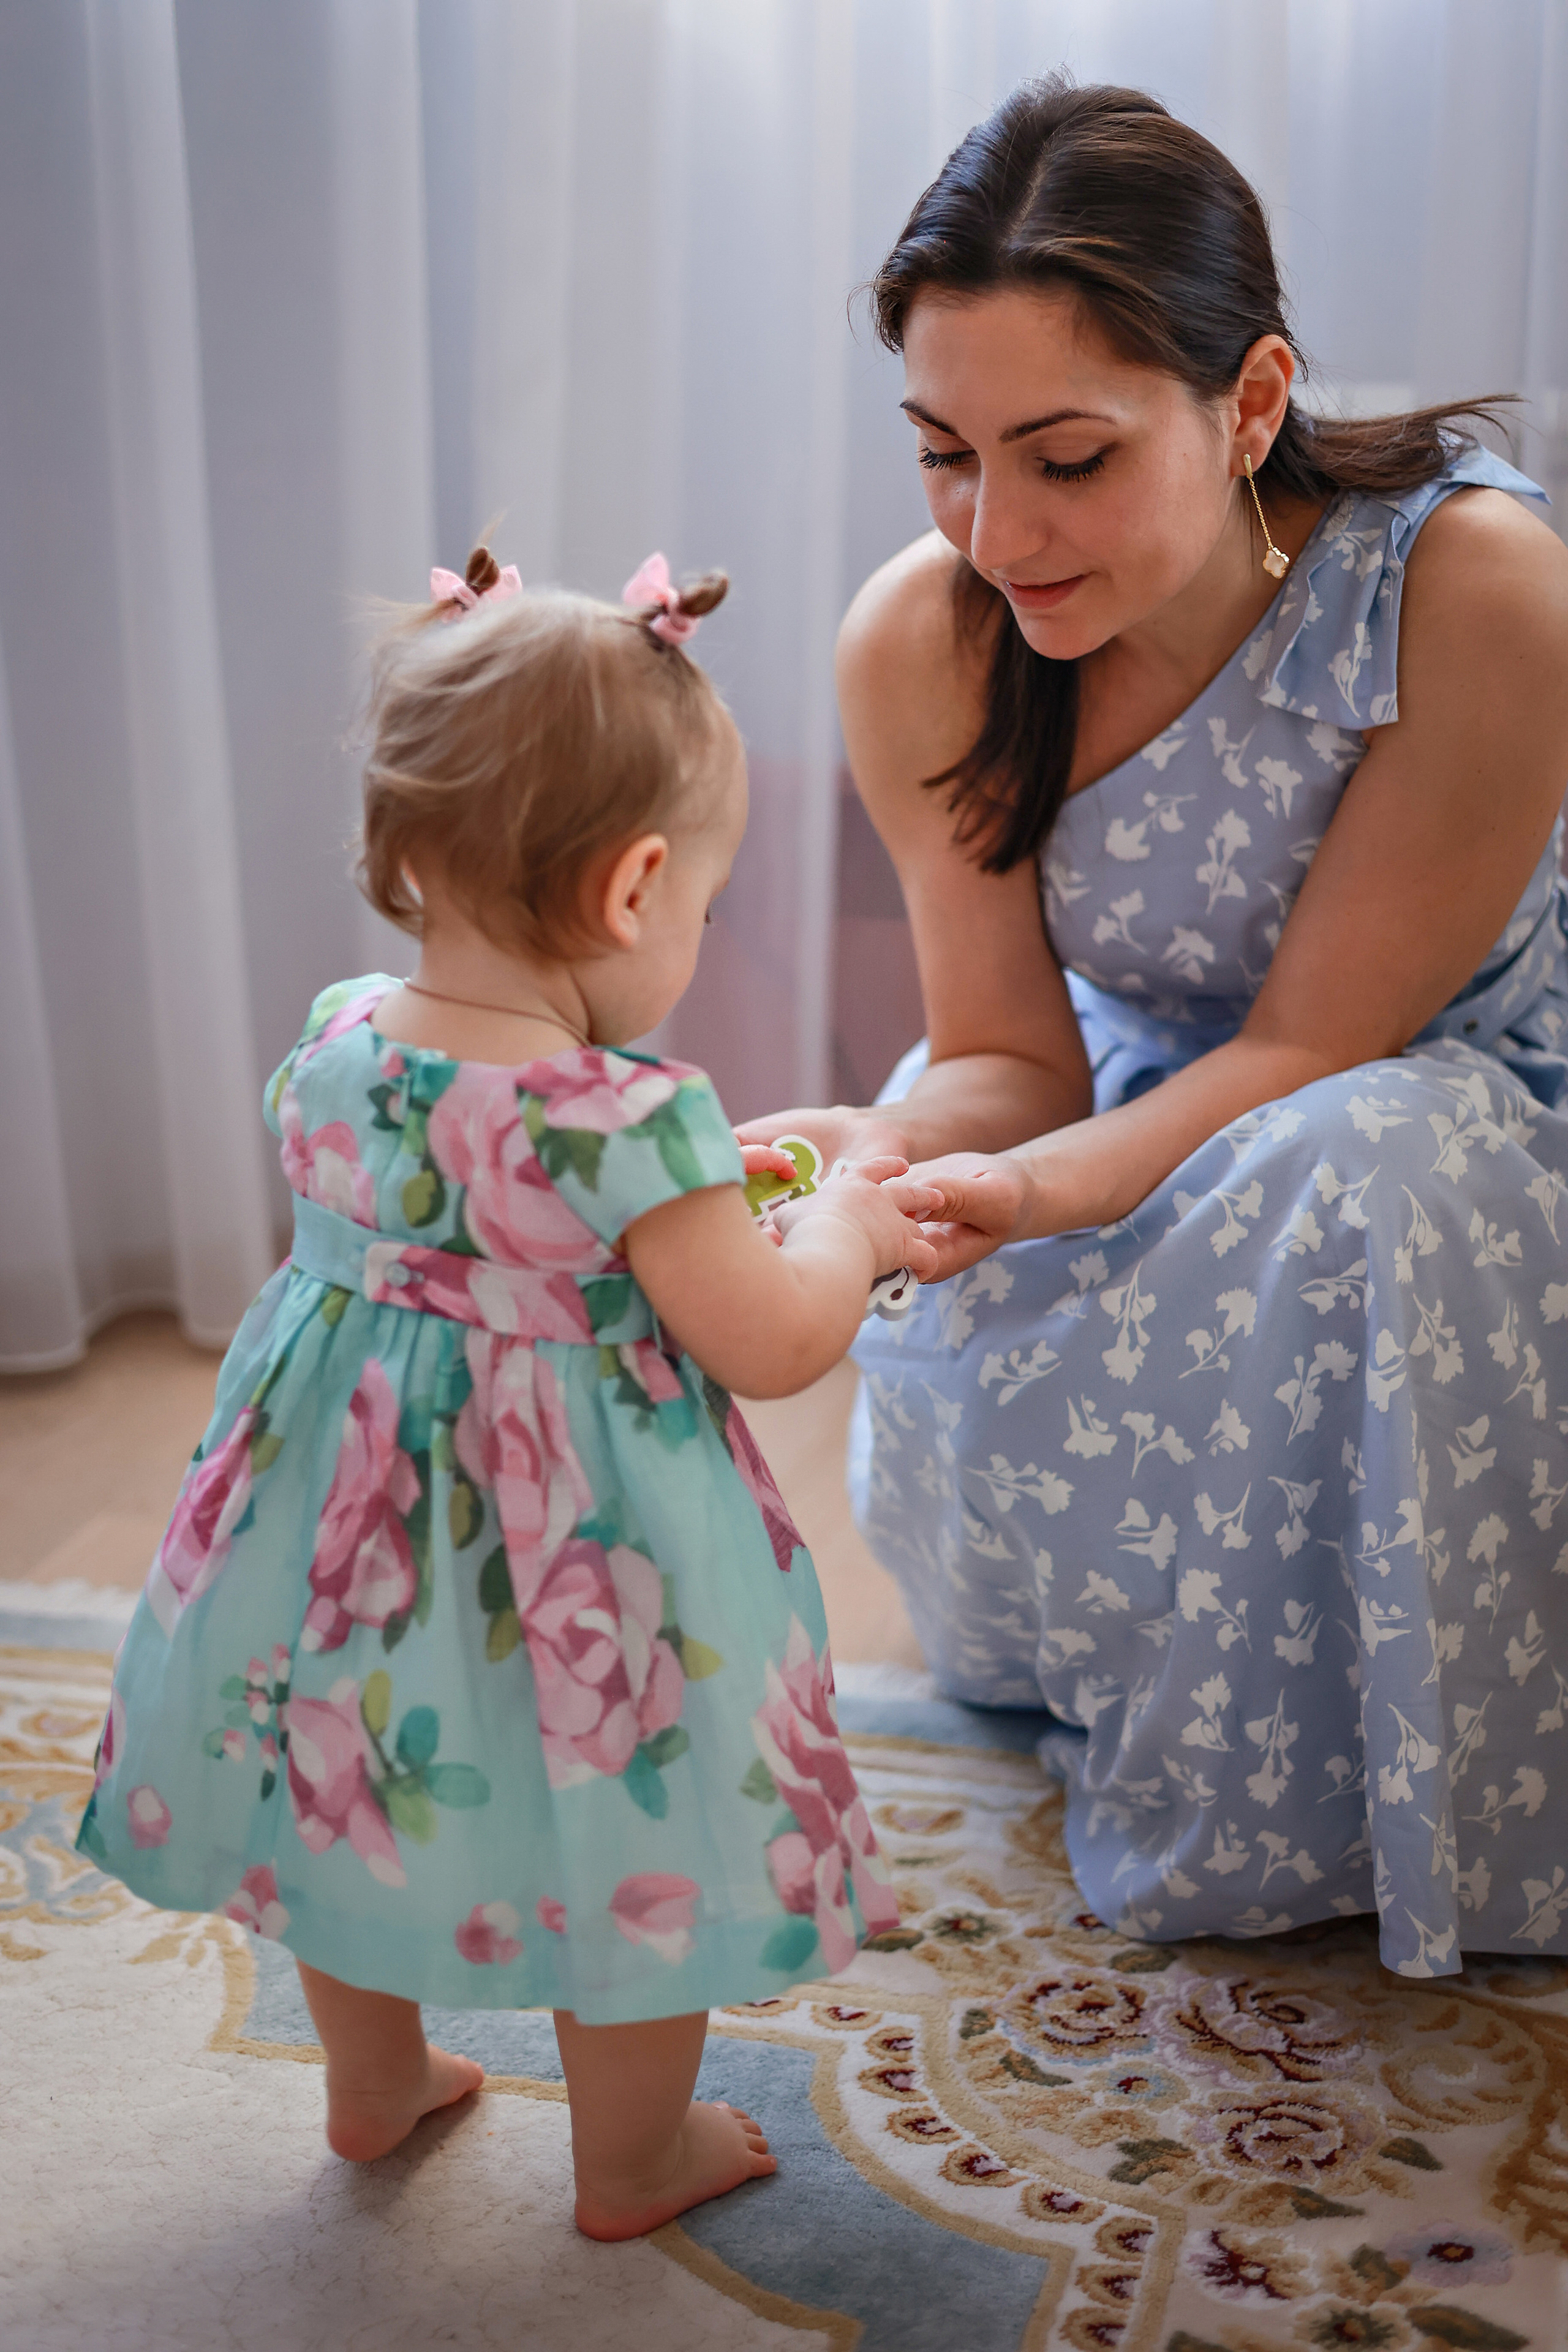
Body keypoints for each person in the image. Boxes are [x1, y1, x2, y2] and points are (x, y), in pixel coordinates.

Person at [741, 78, 1568, 1980]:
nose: (997, 527)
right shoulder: (925, 640)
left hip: (1450, 1125)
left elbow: (1309, 1053)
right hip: (1132, 1118)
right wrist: (894, 1159)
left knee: (1362, 1171)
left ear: (1254, 400)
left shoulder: (1470, 588)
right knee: (999, 1249)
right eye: (944, 451)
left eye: (1067, 457)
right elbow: (1006, 1056)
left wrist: (1014, 1194)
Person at [78, 546, 943, 2237]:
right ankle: (630, 2161)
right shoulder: (632, 1123)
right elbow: (765, 1335)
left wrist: (719, 1176)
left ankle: (373, 2084)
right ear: (635, 890)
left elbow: (476, 1211)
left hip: (336, 1543)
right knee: (635, 1824)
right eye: (701, 905)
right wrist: (849, 1220)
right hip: (582, 1573)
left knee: (343, 1787)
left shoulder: (337, 1041)